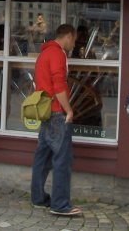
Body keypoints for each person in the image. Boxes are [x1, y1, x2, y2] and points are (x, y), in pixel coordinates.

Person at [30, 23, 82, 217]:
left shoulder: (44, 53)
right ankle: (60, 204)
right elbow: (59, 85)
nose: (74, 44)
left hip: (44, 110)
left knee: (42, 157)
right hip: (57, 111)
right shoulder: (58, 54)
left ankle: (38, 197)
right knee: (62, 159)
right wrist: (68, 110)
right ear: (68, 36)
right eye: (74, 40)